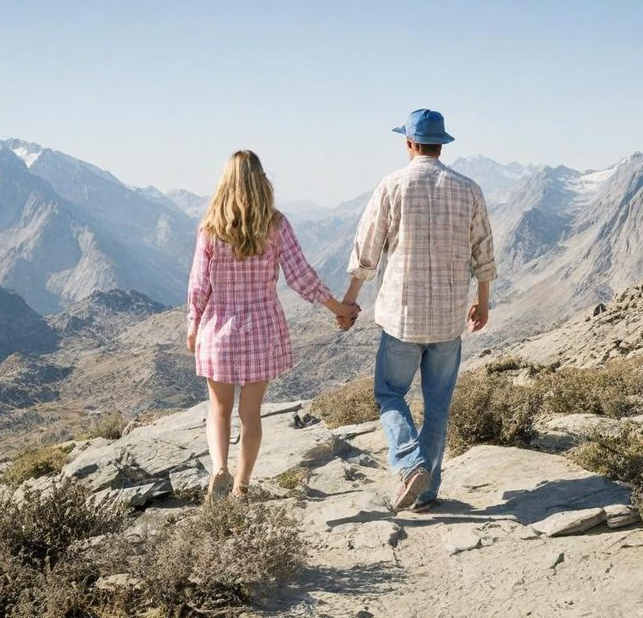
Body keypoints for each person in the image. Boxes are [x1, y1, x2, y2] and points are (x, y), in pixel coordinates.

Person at [340, 109, 496, 512]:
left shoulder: (392, 186)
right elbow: (483, 251)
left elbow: (367, 251)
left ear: (409, 143)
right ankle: (426, 493)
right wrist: (482, 300)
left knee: (389, 392)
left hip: (401, 317)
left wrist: (349, 301)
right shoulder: (469, 189)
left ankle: (410, 464)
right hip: (448, 319)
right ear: (441, 144)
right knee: (438, 403)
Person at [186, 150, 360, 502]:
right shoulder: (276, 224)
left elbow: (198, 285)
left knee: (218, 409)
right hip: (261, 330)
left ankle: (220, 467)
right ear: (262, 180)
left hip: (218, 328)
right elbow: (301, 277)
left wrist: (192, 326)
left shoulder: (210, 229)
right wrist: (338, 308)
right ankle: (241, 488)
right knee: (251, 415)